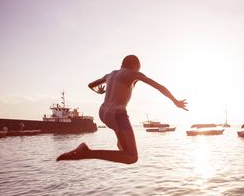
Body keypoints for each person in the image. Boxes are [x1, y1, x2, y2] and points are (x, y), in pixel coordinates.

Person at [57, 55, 188, 164]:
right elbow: (159, 87)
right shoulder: (133, 73)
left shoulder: (110, 74)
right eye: (137, 68)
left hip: (103, 113)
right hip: (118, 114)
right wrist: (175, 101)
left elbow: (91, 85)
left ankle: (120, 142)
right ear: (134, 66)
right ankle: (87, 152)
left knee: (124, 150)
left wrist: (99, 91)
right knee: (131, 157)